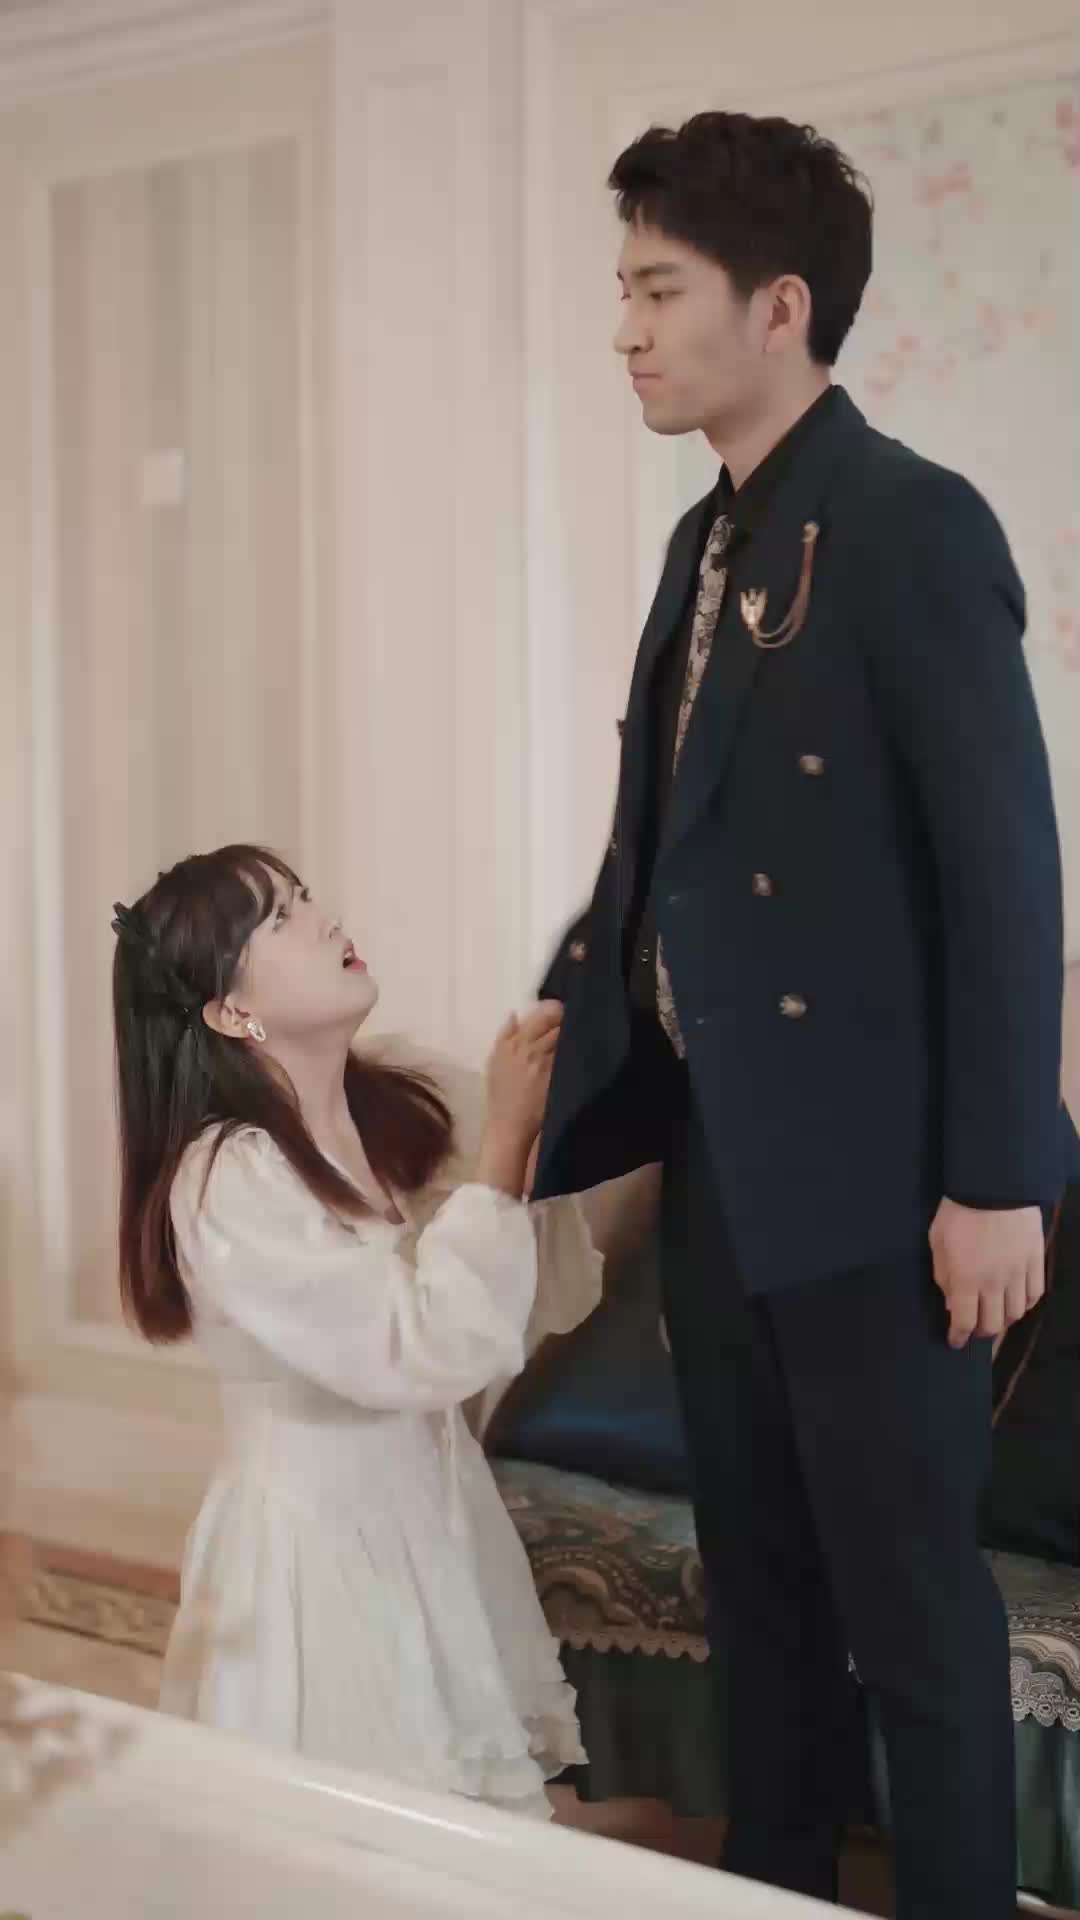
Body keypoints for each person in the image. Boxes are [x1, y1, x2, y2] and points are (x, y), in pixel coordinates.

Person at [530, 112, 1079, 1916]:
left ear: (779, 307)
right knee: (756, 1593)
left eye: (657, 289)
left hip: (885, 1185)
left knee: (910, 1611)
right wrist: (558, 1056)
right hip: (724, 1165)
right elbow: (665, 849)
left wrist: (998, 1180)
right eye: (622, 289)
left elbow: (1006, 875)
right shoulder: (708, 538)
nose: (624, 328)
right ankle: (764, 1891)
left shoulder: (911, 524)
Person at [111, 842, 609, 1818]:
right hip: (322, 1559)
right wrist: (506, 1147)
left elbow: (541, 1297)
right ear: (231, 1012)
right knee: (356, 1843)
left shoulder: (398, 1104)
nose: (323, 918)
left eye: (304, 896)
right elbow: (416, 1347)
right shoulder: (228, 1178)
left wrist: (535, 1132)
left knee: (462, 1836)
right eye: (280, 918)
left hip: (434, 1518)